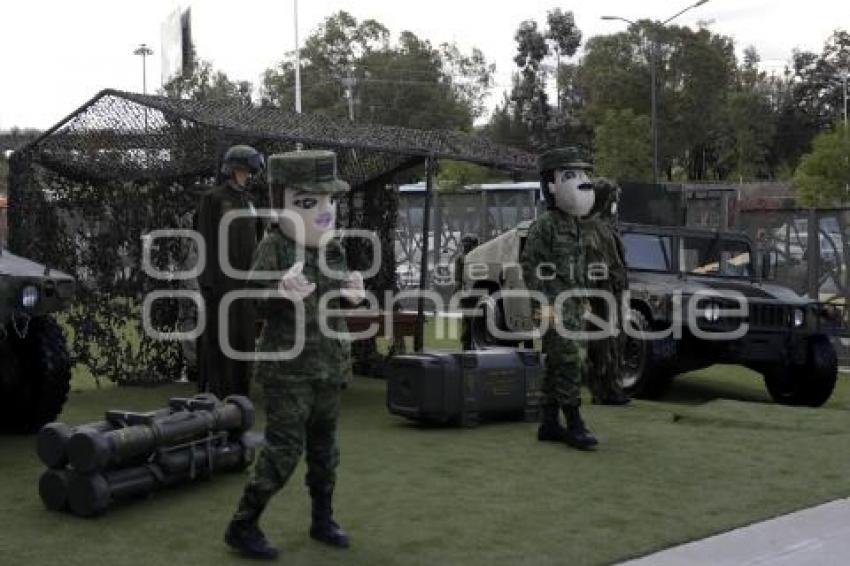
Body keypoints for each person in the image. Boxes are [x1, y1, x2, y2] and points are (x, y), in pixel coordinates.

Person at [224, 149, 365, 560]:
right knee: (283, 452)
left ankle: (323, 520)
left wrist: (351, 295)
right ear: (281, 202)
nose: (324, 212)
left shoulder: (331, 248)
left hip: (329, 365)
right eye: (309, 203)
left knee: (326, 453)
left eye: (330, 202)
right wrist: (279, 294)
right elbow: (252, 299)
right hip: (289, 370)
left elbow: (334, 292)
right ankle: (242, 525)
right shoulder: (275, 246)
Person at [520, 147, 598, 450]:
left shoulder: (575, 226)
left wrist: (584, 297)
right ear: (552, 185)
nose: (582, 182)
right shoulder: (545, 226)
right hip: (553, 308)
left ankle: (549, 423)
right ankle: (575, 424)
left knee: (556, 365)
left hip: (572, 306)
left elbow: (579, 266)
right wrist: (542, 305)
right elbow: (531, 266)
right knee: (568, 363)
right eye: (571, 174)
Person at [196, 145, 265, 397]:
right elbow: (205, 240)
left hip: (245, 285)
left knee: (244, 341)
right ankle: (217, 398)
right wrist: (208, 282)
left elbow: (259, 241)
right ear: (235, 168)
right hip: (220, 284)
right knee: (219, 342)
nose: (249, 176)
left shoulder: (249, 201)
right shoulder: (213, 199)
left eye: (250, 172)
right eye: (246, 170)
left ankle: (240, 399)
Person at [582, 180, 631, 405]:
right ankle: (602, 390)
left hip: (614, 292)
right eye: (613, 199)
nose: (616, 204)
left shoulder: (606, 227)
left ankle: (612, 387)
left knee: (615, 340)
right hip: (603, 293)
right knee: (602, 342)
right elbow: (594, 263)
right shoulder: (593, 228)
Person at [455, 233, 479, 350]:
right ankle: (468, 343)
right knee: (469, 320)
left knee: (470, 320)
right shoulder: (462, 258)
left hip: (474, 292)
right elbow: (458, 279)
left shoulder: (462, 258)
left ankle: (469, 343)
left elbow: (457, 279)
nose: (466, 248)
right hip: (469, 292)